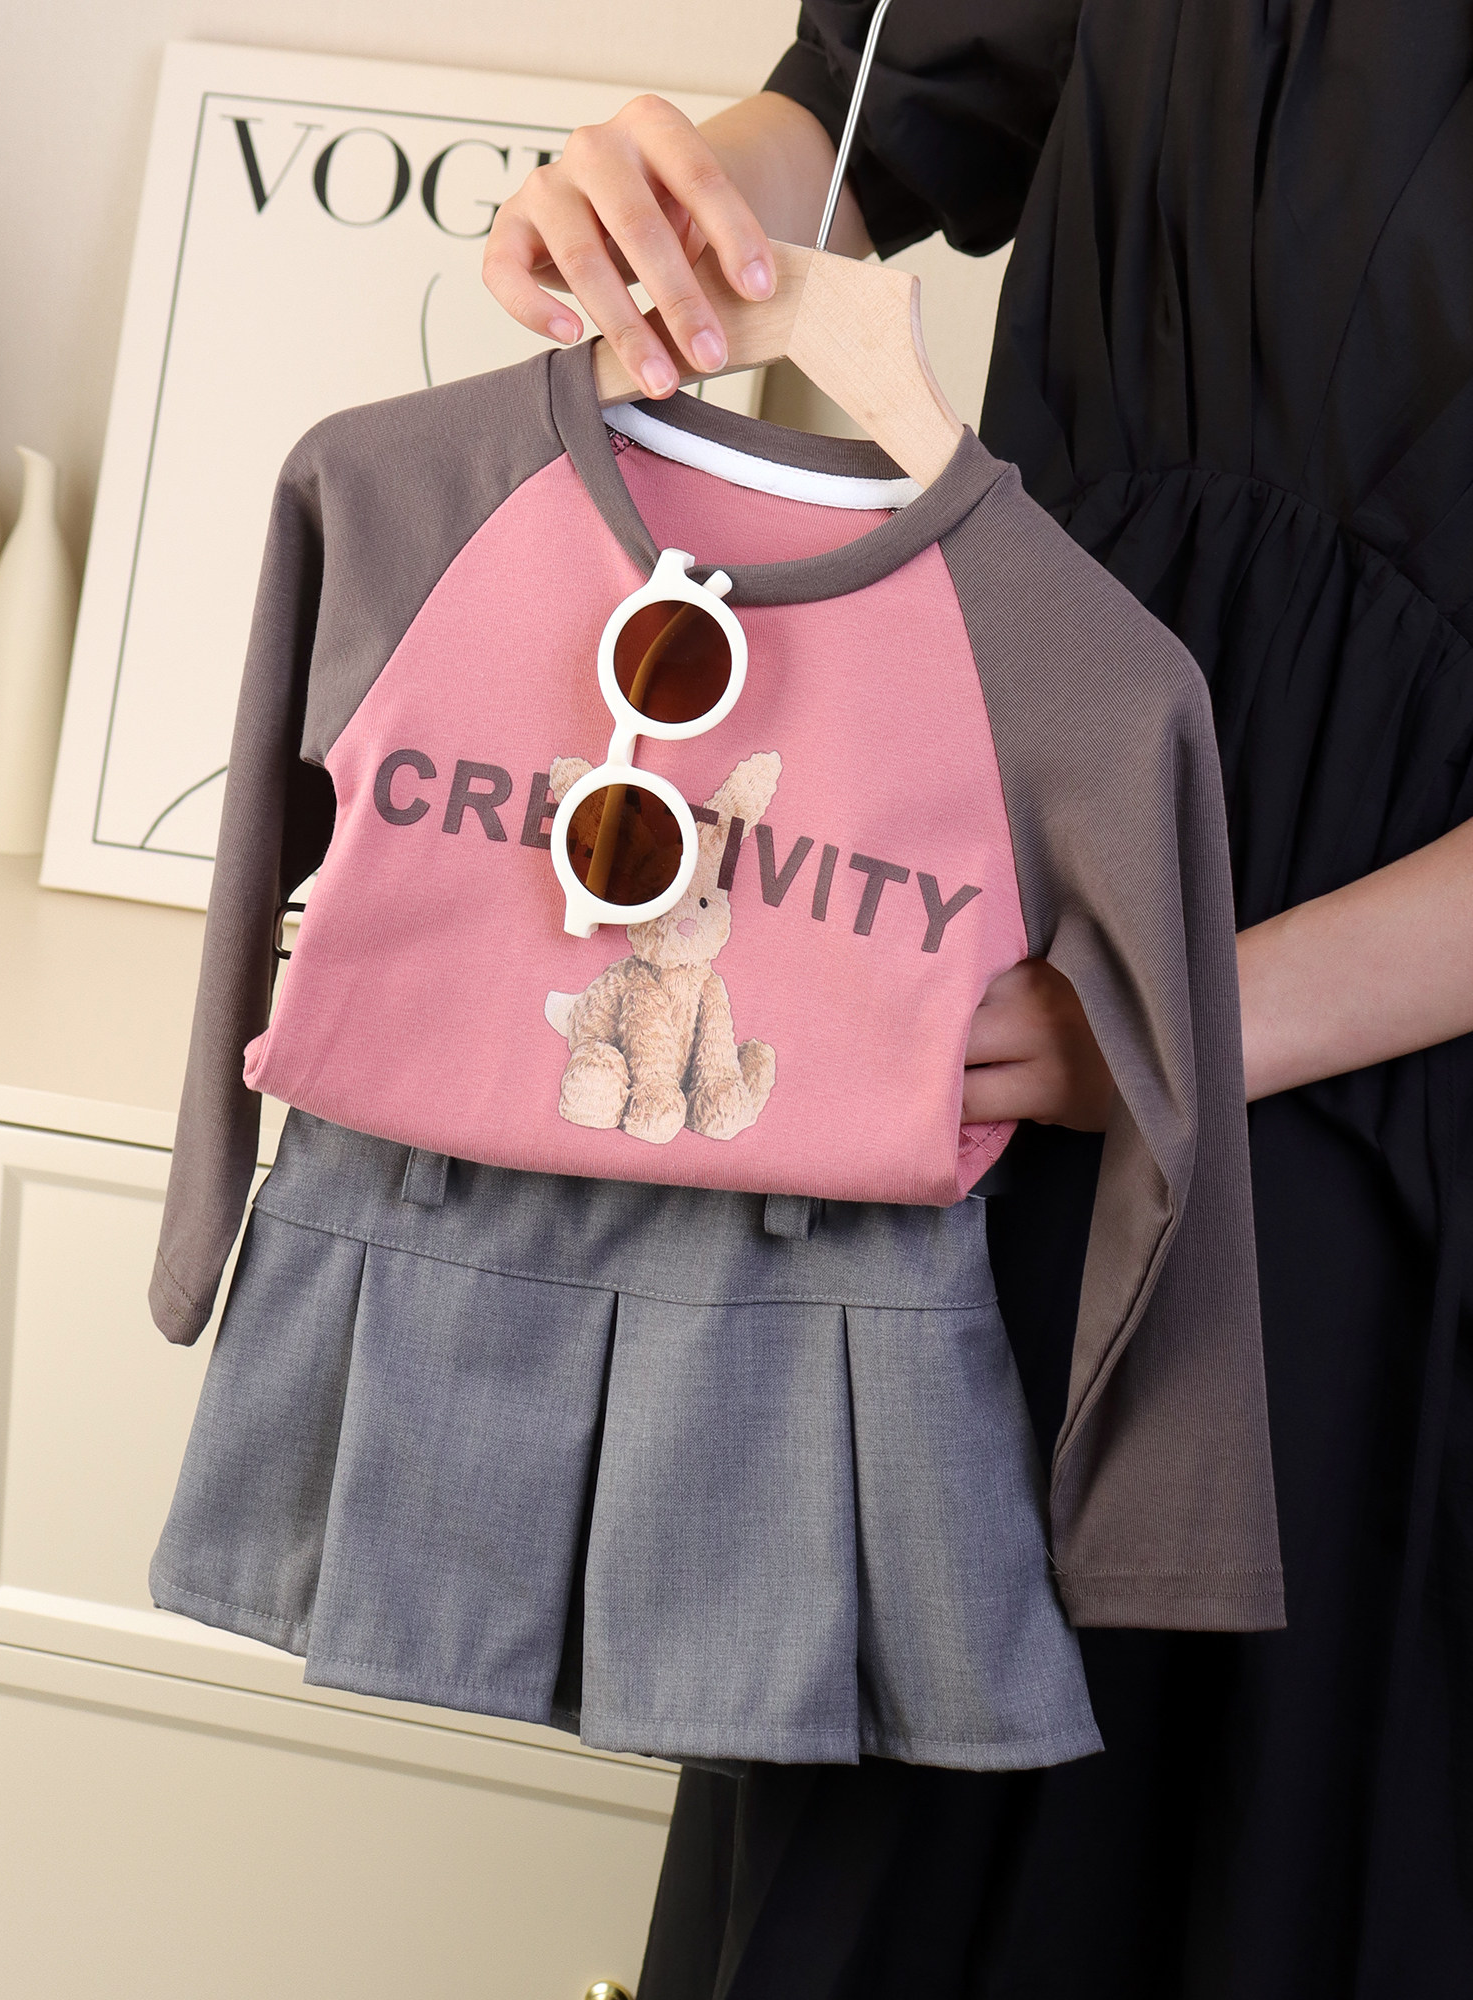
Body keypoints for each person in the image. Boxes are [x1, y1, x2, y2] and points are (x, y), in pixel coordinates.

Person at [481, 5, 1473, 1994]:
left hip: (1371, 1087)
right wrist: (670, 213)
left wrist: (1186, 1018)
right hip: (1012, 913)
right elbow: (869, 122)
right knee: (885, 1851)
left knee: (1270, 1858)